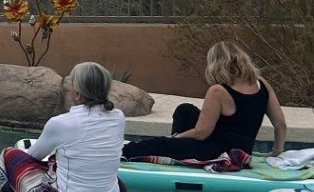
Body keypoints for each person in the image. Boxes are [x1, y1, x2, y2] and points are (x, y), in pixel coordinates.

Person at [5, 60, 127, 192]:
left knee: (11, 157)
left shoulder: (61, 123)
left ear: (77, 93)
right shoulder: (119, 117)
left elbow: (32, 158)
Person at [121, 40, 287, 161]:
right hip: (243, 149)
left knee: (160, 144)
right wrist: (276, 151)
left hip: (216, 150)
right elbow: (280, 124)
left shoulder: (218, 92)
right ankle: (180, 152)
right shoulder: (262, 84)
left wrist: (177, 138)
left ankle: (121, 152)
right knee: (185, 110)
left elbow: (201, 133)